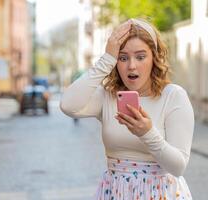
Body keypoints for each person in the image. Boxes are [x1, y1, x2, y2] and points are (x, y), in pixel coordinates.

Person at [60, 18, 194, 200]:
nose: (131, 65)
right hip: (116, 192)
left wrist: (147, 133)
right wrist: (106, 60)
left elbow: (178, 167)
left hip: (161, 194)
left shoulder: (173, 96)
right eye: (123, 58)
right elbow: (68, 105)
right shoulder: (108, 96)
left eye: (140, 56)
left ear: (154, 58)